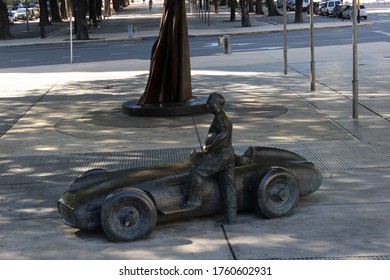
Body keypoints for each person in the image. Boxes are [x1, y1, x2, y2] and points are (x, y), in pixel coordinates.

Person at [186, 93, 236, 224]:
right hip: (227, 154)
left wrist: (210, 148)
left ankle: (194, 201)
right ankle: (230, 218)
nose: (207, 105)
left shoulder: (221, 118)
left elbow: (223, 135)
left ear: (217, 105)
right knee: (228, 186)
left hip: (221, 155)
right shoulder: (220, 117)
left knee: (196, 171)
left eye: (210, 103)